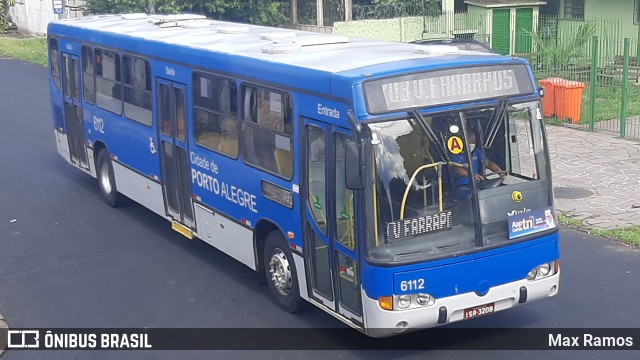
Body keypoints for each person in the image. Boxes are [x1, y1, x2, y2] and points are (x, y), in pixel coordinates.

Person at [450, 130, 504, 200]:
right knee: (475, 196)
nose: (471, 144)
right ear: (463, 141)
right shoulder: (455, 154)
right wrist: (471, 175)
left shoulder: (477, 151)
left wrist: (498, 170)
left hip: (478, 184)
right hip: (461, 187)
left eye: (473, 142)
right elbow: (457, 169)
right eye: (470, 142)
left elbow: (488, 163)